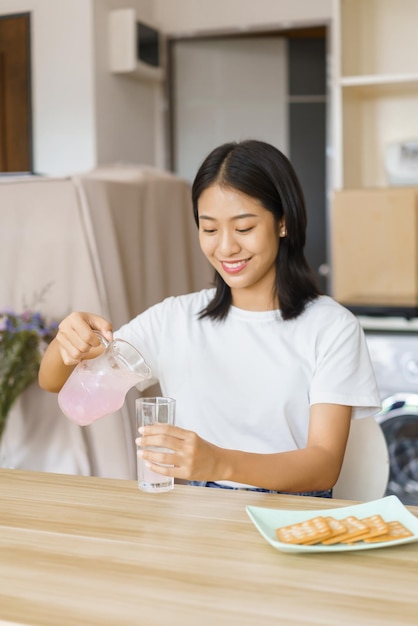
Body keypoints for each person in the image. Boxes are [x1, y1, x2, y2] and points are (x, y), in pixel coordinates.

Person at [38, 139, 381, 496]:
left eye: (244, 228)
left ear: (283, 222)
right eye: (210, 229)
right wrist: (68, 343)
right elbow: (56, 383)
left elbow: (323, 466)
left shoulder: (331, 327)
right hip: (196, 514)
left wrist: (217, 462)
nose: (226, 247)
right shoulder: (173, 319)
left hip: (291, 517)